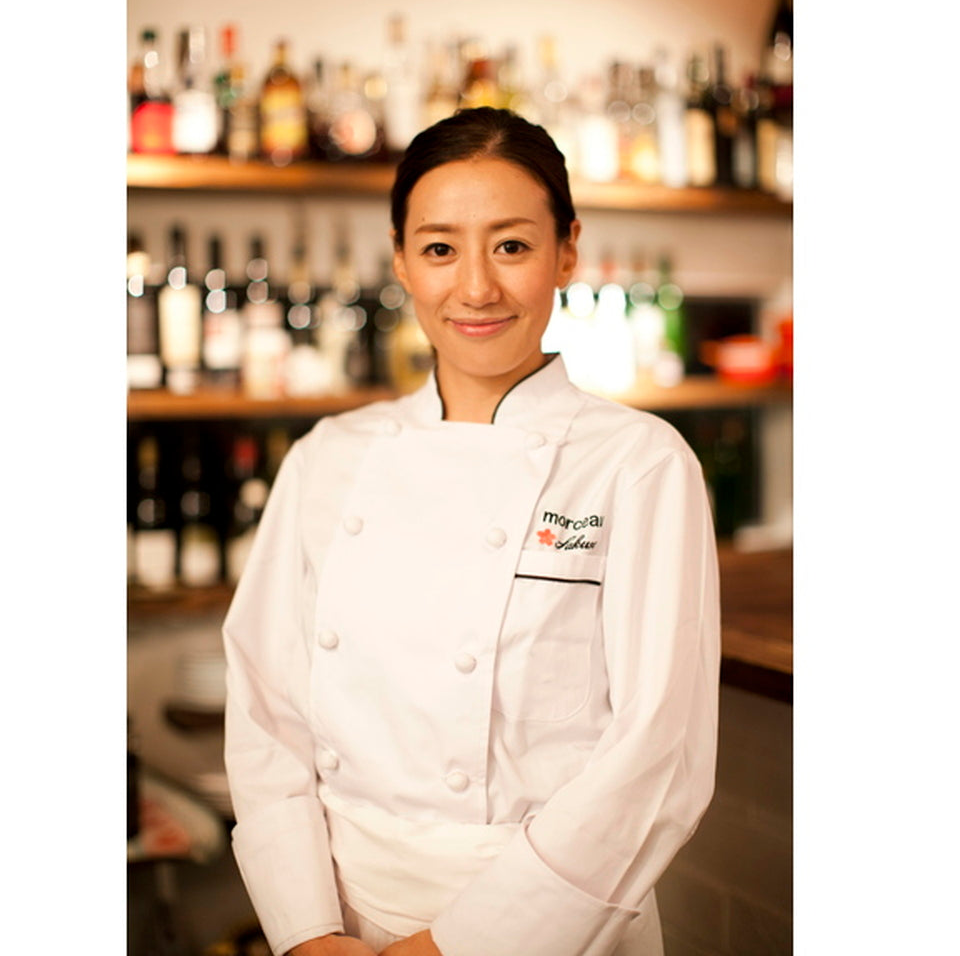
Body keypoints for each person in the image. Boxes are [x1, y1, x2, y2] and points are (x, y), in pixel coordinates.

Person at [222, 107, 720, 956]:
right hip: (338, 913)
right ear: (401, 260)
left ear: (567, 251)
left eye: (512, 246)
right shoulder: (327, 458)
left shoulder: (638, 464)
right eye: (440, 249)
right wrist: (305, 929)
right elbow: (266, 711)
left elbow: (656, 756)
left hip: (548, 923)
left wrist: (452, 946)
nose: (477, 288)